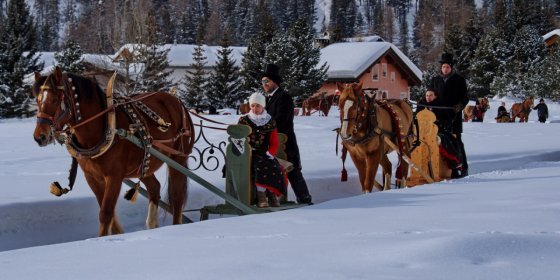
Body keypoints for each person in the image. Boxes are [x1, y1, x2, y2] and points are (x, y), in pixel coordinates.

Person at [261, 64, 313, 204]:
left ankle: (305, 200)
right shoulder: (269, 99)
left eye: (267, 81)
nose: (264, 84)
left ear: (274, 82)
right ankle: (278, 199)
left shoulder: (283, 97)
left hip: (285, 142)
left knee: (293, 171)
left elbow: (280, 120)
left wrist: (262, 127)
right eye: (262, 82)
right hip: (274, 141)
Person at [237, 92, 287, 208]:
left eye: (258, 106)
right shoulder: (244, 120)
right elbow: (238, 139)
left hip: (265, 153)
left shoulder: (269, 121)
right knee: (261, 165)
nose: (255, 108)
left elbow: (274, 142)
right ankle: (261, 196)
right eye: (252, 105)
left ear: (263, 106)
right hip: (248, 153)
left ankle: (271, 195)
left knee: (275, 166)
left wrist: (270, 153)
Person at [428, 53, 469, 178]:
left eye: (447, 67)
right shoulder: (435, 80)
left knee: (456, 141)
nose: (445, 69)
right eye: (443, 67)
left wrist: (459, 106)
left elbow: (465, 97)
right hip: (437, 116)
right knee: (438, 140)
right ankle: (441, 167)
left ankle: (462, 167)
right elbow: (429, 95)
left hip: (454, 116)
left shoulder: (459, 80)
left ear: (451, 67)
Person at [416, 90, 463, 172]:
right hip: (421, 130)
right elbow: (415, 117)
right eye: (427, 95)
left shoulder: (441, 105)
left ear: (435, 96)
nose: (428, 97)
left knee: (443, 139)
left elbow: (448, 120)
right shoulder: (421, 105)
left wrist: (439, 122)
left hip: (438, 130)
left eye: (430, 95)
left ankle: (454, 161)